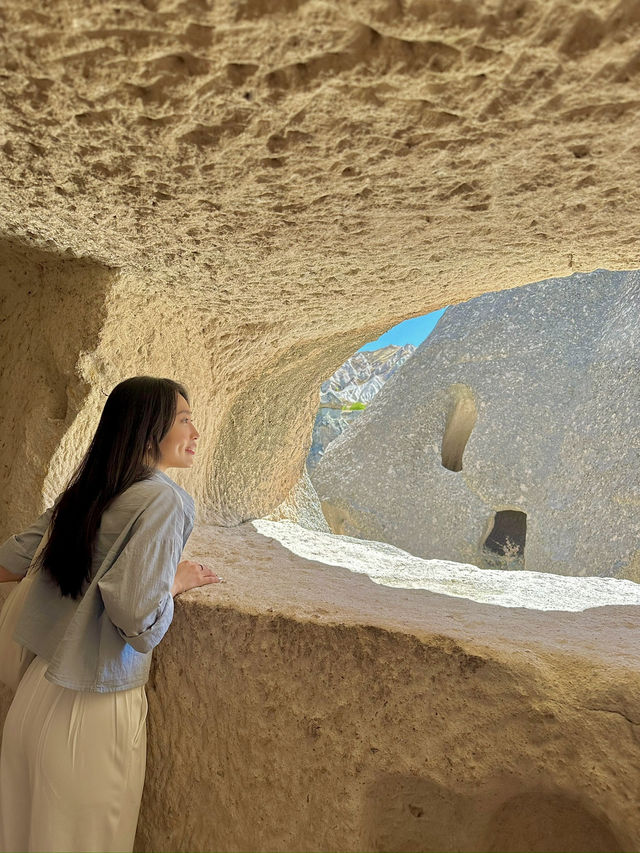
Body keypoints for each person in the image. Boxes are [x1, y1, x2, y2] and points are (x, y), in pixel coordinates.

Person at [0, 375, 221, 853]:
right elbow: (137, 621)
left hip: (33, 700)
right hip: (93, 709)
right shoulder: (165, 500)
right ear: (148, 428)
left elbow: (11, 561)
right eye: (185, 420)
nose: (196, 432)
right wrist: (175, 582)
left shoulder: (88, 490)